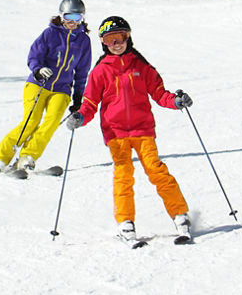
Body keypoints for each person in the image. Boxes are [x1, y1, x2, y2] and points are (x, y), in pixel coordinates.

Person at [66, 16, 194, 244]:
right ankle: (125, 223)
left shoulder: (140, 66)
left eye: (121, 37)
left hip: (143, 129)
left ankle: (180, 216)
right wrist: (80, 117)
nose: (117, 43)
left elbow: (159, 93)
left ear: (128, 38)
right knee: (123, 176)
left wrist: (176, 101)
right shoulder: (100, 71)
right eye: (110, 39)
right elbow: (90, 104)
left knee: (156, 170)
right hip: (116, 133)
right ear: (104, 43)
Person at [0, 0, 91, 174]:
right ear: (61, 16)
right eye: (68, 17)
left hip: (62, 89)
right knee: (31, 121)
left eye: (77, 18)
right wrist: (38, 69)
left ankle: (27, 156)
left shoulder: (83, 41)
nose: (72, 22)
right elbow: (34, 56)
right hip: (38, 83)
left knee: (51, 122)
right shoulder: (50, 34)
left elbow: (82, 70)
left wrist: (79, 96)